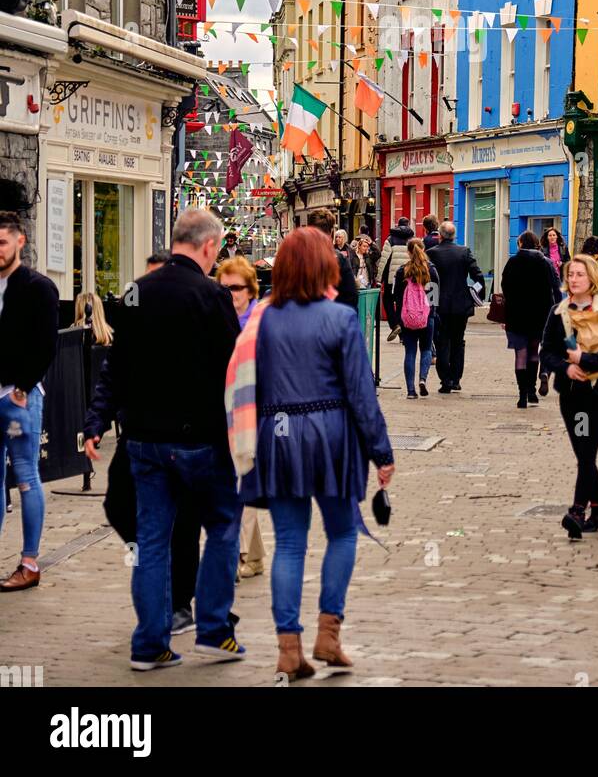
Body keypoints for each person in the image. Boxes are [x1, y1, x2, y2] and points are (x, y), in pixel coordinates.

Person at [227, 226, 394, 682]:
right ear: (324, 266)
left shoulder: (262, 319)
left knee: (290, 543)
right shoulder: (340, 319)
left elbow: (246, 383)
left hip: (277, 436)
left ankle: (288, 649)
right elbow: (362, 394)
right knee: (342, 533)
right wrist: (381, 451)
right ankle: (329, 634)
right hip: (332, 434)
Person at [102, 208, 243, 671]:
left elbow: (116, 366)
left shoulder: (134, 293)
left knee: (152, 541)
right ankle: (215, 630)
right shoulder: (211, 295)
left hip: (144, 438)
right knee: (222, 526)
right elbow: (231, 369)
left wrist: (101, 421)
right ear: (207, 246)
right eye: (217, 249)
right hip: (200, 439)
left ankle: (149, 644)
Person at [541, 255, 598, 540]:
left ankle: (578, 511)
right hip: (573, 396)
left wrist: (585, 359)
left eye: (579, 274)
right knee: (584, 452)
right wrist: (566, 367)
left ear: (592, 279)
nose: (573, 279)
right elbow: (547, 353)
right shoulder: (558, 313)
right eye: (570, 274)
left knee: (588, 452)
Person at [0, 211, 59, 591]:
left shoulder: (38, 286)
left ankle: (30, 562)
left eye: (2, 242)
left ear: (20, 242)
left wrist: (23, 386)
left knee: (25, 474)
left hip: (16, 398)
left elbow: (46, 343)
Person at [217, 256, 266, 578]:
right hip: (222, 410)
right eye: (224, 288)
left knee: (243, 479)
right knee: (234, 482)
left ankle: (239, 555)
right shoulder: (215, 318)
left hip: (253, 412)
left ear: (250, 290)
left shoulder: (260, 322)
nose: (231, 294)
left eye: (236, 288)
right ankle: (255, 557)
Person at [501, 230, 561, 408]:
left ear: (520, 244)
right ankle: (532, 391)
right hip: (540, 315)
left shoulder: (513, 262)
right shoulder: (545, 263)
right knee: (534, 352)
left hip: (517, 315)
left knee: (520, 354)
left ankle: (522, 395)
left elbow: (505, 286)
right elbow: (555, 287)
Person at [427, 221, 485, 393]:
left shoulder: (431, 253)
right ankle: (456, 379)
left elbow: (428, 281)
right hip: (461, 305)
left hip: (440, 305)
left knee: (442, 341)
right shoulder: (464, 251)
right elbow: (478, 276)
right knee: (458, 342)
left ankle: (445, 380)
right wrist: (475, 295)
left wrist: (431, 302)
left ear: (440, 235)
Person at [393, 239, 439, 398]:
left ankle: (411, 391)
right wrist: (432, 313)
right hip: (427, 316)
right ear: (423, 250)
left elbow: (397, 298)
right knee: (426, 349)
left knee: (410, 352)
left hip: (407, 318)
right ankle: (422, 379)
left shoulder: (402, 271)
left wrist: (399, 318)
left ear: (408, 252)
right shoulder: (431, 270)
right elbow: (434, 297)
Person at [306, 208, 358, 310]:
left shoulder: (296, 256)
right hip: (332, 318)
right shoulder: (339, 259)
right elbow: (351, 298)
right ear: (331, 233)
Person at [377, 215, 414, 340]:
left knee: (387, 299)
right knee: (402, 304)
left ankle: (395, 324)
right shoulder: (412, 240)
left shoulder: (390, 239)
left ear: (398, 225)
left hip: (392, 278)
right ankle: (403, 334)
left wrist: (378, 278)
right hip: (408, 278)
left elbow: (384, 260)